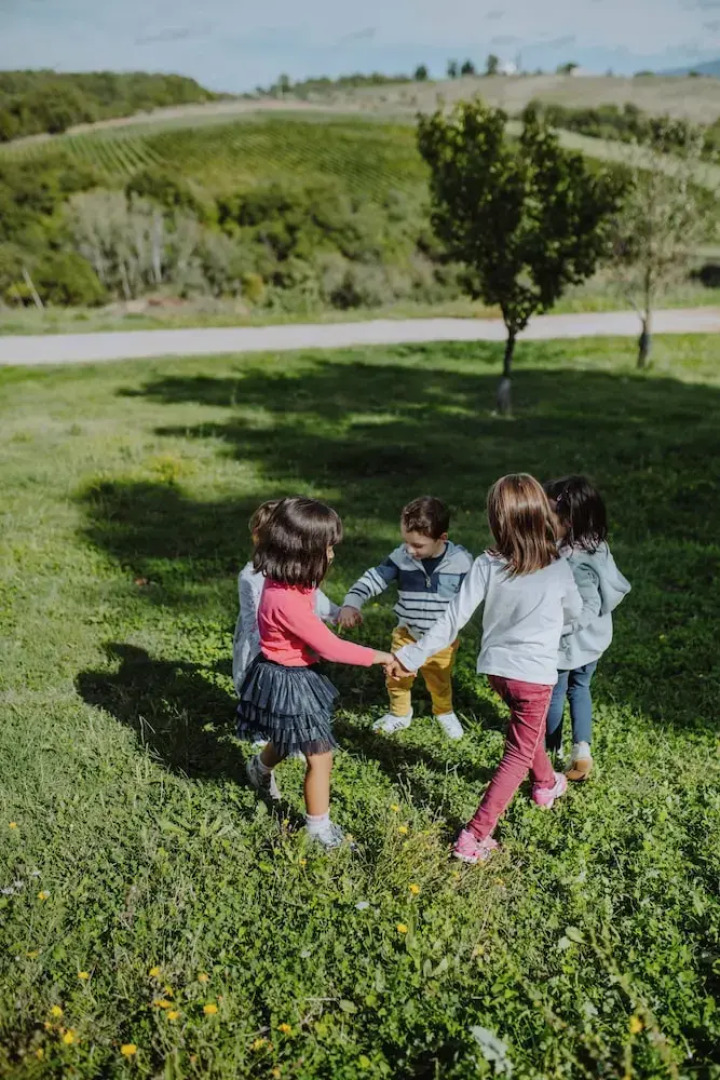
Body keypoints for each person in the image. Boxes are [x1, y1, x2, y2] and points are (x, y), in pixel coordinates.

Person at [386, 474, 583, 865]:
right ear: (541, 514)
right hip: (534, 675)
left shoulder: (487, 563)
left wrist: (411, 655)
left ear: (497, 520)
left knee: (525, 732)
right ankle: (474, 837)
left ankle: (545, 784)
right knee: (517, 751)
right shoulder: (558, 567)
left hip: (497, 672)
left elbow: (452, 618)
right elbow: (575, 613)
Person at [239, 496, 394, 850]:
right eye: (327, 548)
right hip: (289, 680)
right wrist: (381, 656)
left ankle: (259, 770)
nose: (332, 555)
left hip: (284, 674)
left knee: (285, 734)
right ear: (302, 552)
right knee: (320, 756)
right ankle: (318, 830)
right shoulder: (286, 599)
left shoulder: (288, 582)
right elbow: (330, 647)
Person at [338, 496, 473, 740]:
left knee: (439, 679)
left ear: (442, 538)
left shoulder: (462, 562)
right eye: (406, 542)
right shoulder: (402, 557)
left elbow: (471, 599)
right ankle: (400, 713)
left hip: (441, 639)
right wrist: (352, 602)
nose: (410, 550)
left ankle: (444, 711)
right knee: (396, 675)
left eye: (418, 545)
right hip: (407, 632)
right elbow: (374, 579)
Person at [543, 476, 631, 780]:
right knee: (580, 688)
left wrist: (558, 630)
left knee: (555, 693)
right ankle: (581, 748)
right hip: (594, 641)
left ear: (566, 520)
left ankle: (548, 749)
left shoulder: (573, 560)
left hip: (570, 641)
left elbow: (587, 607)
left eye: (547, 513)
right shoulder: (596, 544)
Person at [232, 499, 340, 697]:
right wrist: (265, 657)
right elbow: (251, 622)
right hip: (265, 645)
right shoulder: (250, 577)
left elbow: (315, 596)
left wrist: (336, 614)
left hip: (295, 639)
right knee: (261, 691)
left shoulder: (298, 569)